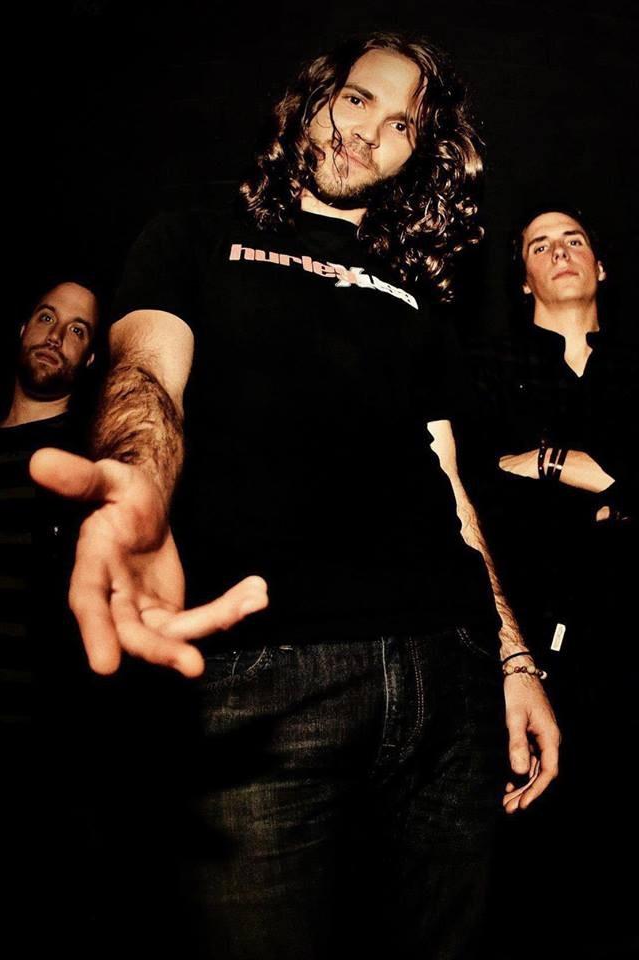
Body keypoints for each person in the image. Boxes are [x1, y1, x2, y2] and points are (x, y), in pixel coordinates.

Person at [29, 33, 559, 959]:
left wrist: (514, 661)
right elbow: (147, 375)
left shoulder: (414, 297)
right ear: (314, 100)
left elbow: (452, 486)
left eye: (403, 126)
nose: (371, 133)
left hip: (449, 677)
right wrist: (138, 482)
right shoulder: (192, 234)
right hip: (264, 684)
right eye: (358, 99)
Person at [470, 205, 639, 958]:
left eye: (574, 239)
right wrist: (606, 483)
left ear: (600, 266)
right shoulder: (490, 370)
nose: (561, 251)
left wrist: (559, 466)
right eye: (540, 245)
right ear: (523, 279)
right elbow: (478, 491)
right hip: (544, 652)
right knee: (551, 872)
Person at [0, 279, 104, 957]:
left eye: (77, 330)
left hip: (45, 769)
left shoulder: (92, 466)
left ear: (89, 360)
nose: (56, 335)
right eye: (47, 317)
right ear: (22, 329)